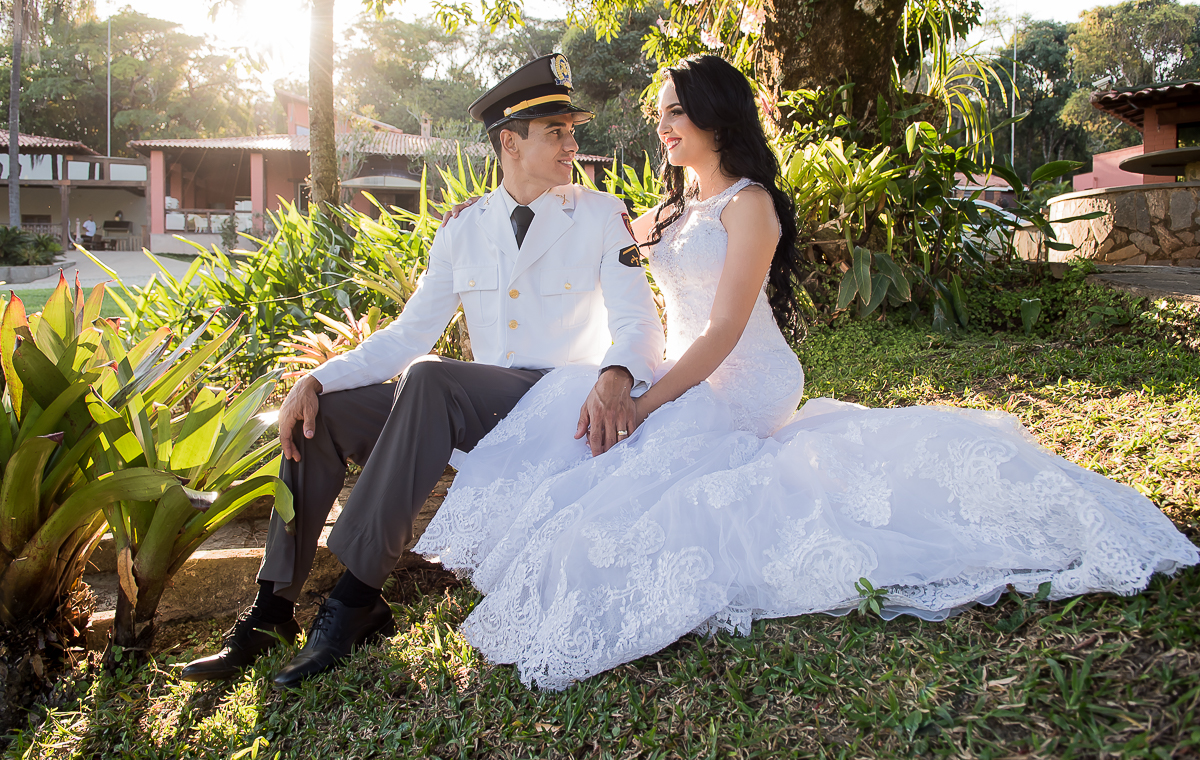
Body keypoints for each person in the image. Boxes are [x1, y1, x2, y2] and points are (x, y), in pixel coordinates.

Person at [416, 55, 1199, 691]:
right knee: (602, 463)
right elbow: (577, 209)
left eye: (674, 113)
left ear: (717, 118)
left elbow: (724, 333)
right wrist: (477, 211)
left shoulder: (750, 206)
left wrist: (650, 401)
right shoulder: (666, 212)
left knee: (648, 478)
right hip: (686, 374)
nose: (661, 125)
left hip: (742, 377)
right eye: (659, 112)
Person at [181, 54, 665, 689]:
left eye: (572, 130)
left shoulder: (601, 214)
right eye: (557, 132)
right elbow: (410, 334)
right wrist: (317, 379)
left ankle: (353, 599)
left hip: (553, 404)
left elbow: (639, 321)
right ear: (509, 142)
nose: (572, 143)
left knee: (433, 378)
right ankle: (273, 608)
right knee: (320, 416)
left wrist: (615, 376)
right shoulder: (464, 229)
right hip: (473, 409)